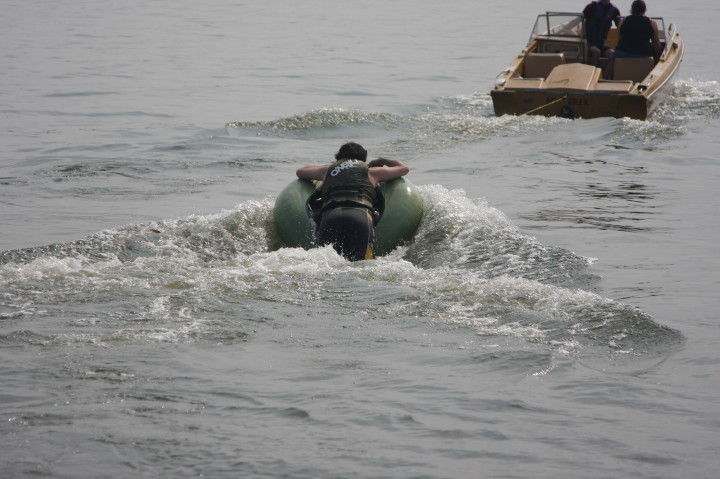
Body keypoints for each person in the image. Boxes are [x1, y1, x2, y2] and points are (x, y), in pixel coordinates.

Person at [296, 142, 409, 261]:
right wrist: (382, 160)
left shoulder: (327, 170)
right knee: (362, 266)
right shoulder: (372, 171)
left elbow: (301, 171)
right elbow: (404, 168)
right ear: (364, 159)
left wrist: (330, 166)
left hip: (330, 217)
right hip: (360, 216)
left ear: (338, 158)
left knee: (327, 266)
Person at [583, 0, 622, 66]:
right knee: (596, 52)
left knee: (612, 54)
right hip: (588, 42)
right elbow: (580, 20)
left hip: (601, 43)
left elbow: (620, 26)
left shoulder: (614, 10)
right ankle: (593, 73)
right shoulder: (591, 7)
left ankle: (607, 75)